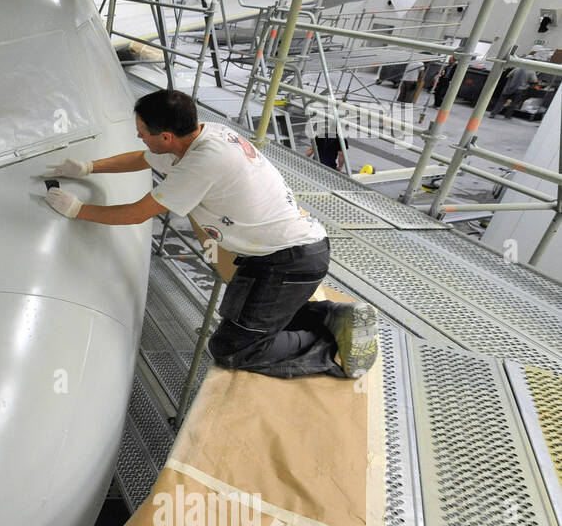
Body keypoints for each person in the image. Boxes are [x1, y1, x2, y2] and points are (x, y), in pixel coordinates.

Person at [41, 89, 378, 379]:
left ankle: (333, 352)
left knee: (235, 349)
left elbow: (136, 213)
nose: (140, 136)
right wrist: (88, 168)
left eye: (142, 131)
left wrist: (77, 210)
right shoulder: (205, 135)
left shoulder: (200, 164)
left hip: (289, 261)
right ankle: (333, 315)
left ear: (167, 137)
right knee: (237, 315)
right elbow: (143, 159)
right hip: (282, 254)